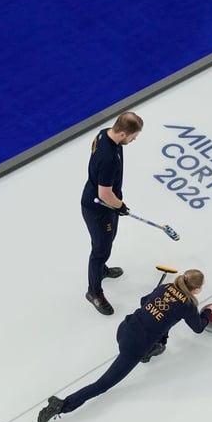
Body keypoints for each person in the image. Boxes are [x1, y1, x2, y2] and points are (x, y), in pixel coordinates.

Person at [38, 269, 212, 422]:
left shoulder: (165, 287)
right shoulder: (187, 306)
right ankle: (62, 405)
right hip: (134, 347)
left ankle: (150, 350)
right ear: (196, 289)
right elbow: (198, 328)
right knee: (102, 384)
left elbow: (144, 301)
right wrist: (206, 314)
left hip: (124, 329)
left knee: (162, 327)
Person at [81, 111, 144, 315]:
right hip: (100, 208)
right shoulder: (109, 158)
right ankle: (94, 292)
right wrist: (120, 206)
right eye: (134, 136)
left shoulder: (104, 133)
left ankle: (101, 271)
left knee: (106, 243)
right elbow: (104, 193)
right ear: (124, 134)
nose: (135, 140)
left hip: (104, 204)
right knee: (100, 251)